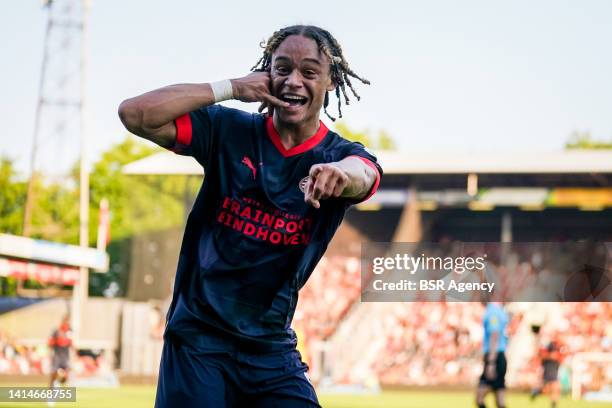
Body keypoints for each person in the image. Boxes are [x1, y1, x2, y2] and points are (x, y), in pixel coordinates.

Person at [118, 24, 382, 408]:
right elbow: (135, 114)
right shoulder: (228, 130)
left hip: (269, 348)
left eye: (309, 72)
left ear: (331, 80)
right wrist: (232, 88)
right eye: (282, 68)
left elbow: (366, 174)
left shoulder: (337, 156)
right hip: (198, 342)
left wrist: (342, 175)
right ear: (266, 73)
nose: (293, 81)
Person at [476, 302, 509, 408]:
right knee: (500, 399)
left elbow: (494, 335)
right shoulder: (500, 310)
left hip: (494, 356)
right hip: (499, 355)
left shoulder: (492, 312)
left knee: (480, 396)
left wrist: (491, 362)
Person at [48, 315, 72, 387]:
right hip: (57, 355)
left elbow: (71, 343)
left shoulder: (70, 331)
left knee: (67, 372)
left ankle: (61, 383)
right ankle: (52, 386)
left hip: (65, 356)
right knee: (54, 372)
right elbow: (51, 342)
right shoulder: (57, 331)